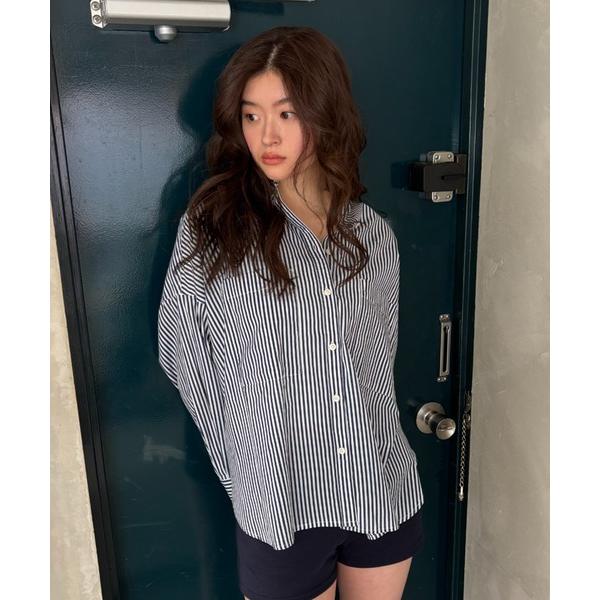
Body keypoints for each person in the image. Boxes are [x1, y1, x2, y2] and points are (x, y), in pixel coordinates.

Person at [157, 26, 425, 600]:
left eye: (286, 113)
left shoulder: (371, 234)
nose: (267, 136)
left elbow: (378, 364)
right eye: (251, 116)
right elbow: (183, 355)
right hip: (280, 503)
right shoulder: (214, 229)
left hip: (382, 490)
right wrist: (244, 467)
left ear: (324, 114)